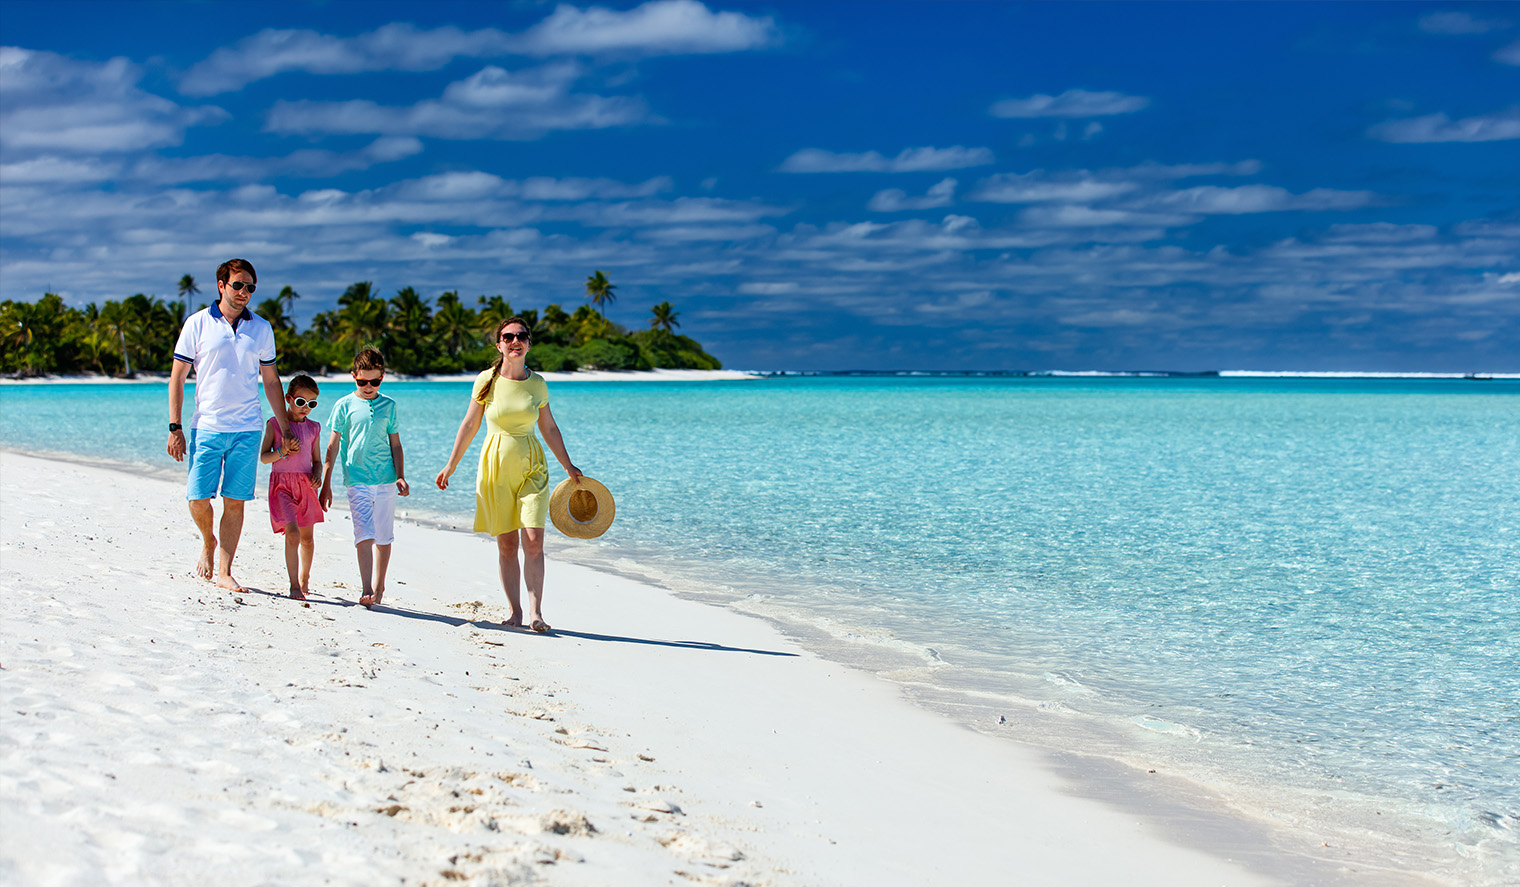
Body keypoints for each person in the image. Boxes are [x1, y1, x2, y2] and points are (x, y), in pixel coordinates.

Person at [435, 317, 583, 633]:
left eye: (521, 336)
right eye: (508, 336)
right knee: (506, 545)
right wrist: (451, 465)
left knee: (533, 539)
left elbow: (549, 427)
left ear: (529, 343)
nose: (515, 341)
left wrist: (568, 466)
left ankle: (535, 613)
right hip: (495, 467)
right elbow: (469, 425)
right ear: (499, 343)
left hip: (532, 465)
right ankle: (515, 611)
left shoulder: (538, 384)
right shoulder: (486, 380)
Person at [167, 258, 292, 592]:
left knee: (235, 501)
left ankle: (225, 571)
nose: (244, 292)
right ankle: (208, 541)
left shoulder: (262, 328)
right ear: (221, 285)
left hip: (247, 429)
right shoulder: (196, 324)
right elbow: (178, 377)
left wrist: (285, 426)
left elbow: (271, 381)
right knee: (197, 499)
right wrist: (174, 427)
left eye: (250, 287)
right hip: (206, 425)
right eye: (238, 285)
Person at [319, 347, 409, 608]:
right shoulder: (343, 405)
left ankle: (380, 586)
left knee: (383, 536)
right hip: (356, 479)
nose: (368, 386)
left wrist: (401, 476)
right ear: (353, 377)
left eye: (375, 381)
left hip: (386, 479)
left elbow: (396, 445)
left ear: (383, 377)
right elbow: (332, 446)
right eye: (362, 381)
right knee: (364, 534)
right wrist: (326, 484)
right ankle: (367, 587)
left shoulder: (389, 406)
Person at [260, 374, 324, 600]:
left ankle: (305, 578)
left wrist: (318, 474)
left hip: (306, 486)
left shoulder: (314, 428)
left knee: (307, 538)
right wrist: (281, 453)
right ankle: (294, 584)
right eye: (301, 402)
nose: (306, 408)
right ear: (288, 398)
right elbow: (264, 458)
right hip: (282, 486)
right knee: (293, 534)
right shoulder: (274, 424)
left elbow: (317, 460)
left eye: (312, 404)